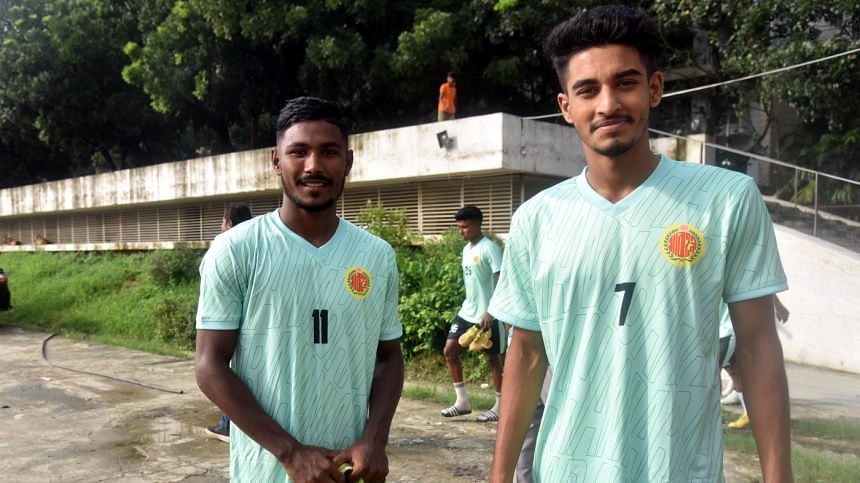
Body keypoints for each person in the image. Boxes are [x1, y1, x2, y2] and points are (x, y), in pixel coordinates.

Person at [487, 5, 792, 482]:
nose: (607, 104)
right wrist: (500, 474)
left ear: (654, 88)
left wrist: (779, 475)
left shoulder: (727, 200)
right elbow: (526, 355)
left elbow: (756, 346)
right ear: (566, 106)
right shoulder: (536, 219)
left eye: (625, 83)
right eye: (588, 90)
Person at [195, 96, 404, 483]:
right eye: (298, 152)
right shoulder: (236, 250)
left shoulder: (376, 256)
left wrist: (375, 439)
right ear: (277, 161)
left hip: (349, 472)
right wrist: (290, 453)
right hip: (265, 472)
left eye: (329, 152)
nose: (313, 165)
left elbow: (389, 356)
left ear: (348, 161)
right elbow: (209, 365)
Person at [440, 206, 505, 422]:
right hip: (467, 312)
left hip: (489, 315)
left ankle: (500, 407)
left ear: (478, 224)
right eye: (459, 227)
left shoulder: (490, 249)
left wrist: (491, 311)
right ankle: (462, 403)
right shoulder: (466, 250)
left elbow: (503, 282)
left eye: (465, 227)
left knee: (492, 358)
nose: (461, 231)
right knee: (450, 350)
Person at [204, 202, 254, 444]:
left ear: (229, 223)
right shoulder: (260, 244)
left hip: (228, 322)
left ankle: (228, 425)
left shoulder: (224, 247)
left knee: (225, 372)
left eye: (223, 222)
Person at [721, 294, 790, 429]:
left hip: (729, 328)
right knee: (733, 370)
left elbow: (760, 285)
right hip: (718, 327)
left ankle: (707, 421)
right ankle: (749, 414)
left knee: (712, 371)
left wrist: (778, 306)